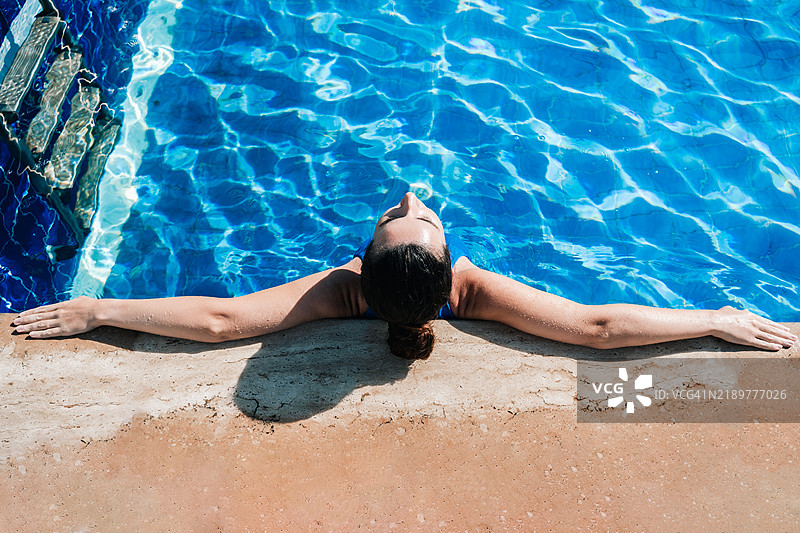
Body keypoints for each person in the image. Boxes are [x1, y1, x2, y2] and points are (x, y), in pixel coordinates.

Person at [12, 192, 797, 358]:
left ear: (361, 258)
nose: (412, 196)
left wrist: (95, 307)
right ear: (453, 264)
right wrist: (713, 317)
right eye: (415, 213)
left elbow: (223, 320)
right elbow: (595, 328)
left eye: (401, 211)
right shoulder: (474, 291)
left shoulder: (338, 288)